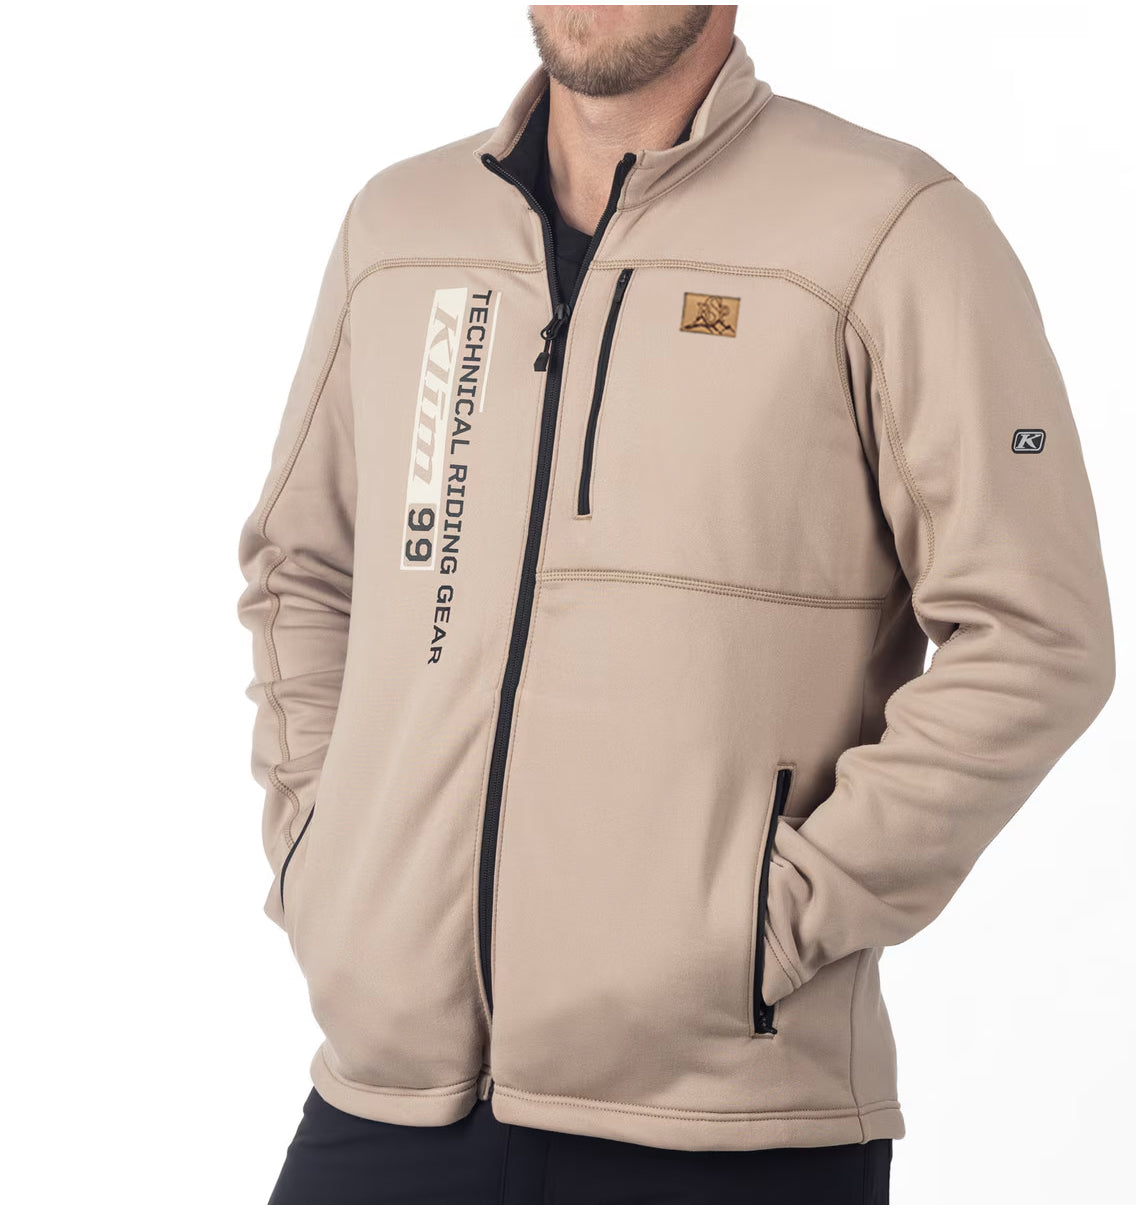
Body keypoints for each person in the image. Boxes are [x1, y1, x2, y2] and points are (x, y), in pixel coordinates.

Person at [236, 6, 1115, 1204]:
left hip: (727, 1121)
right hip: (388, 1099)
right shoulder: (400, 230)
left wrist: (767, 922)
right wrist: (320, 852)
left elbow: (1035, 632)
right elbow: (301, 566)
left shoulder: (886, 229)